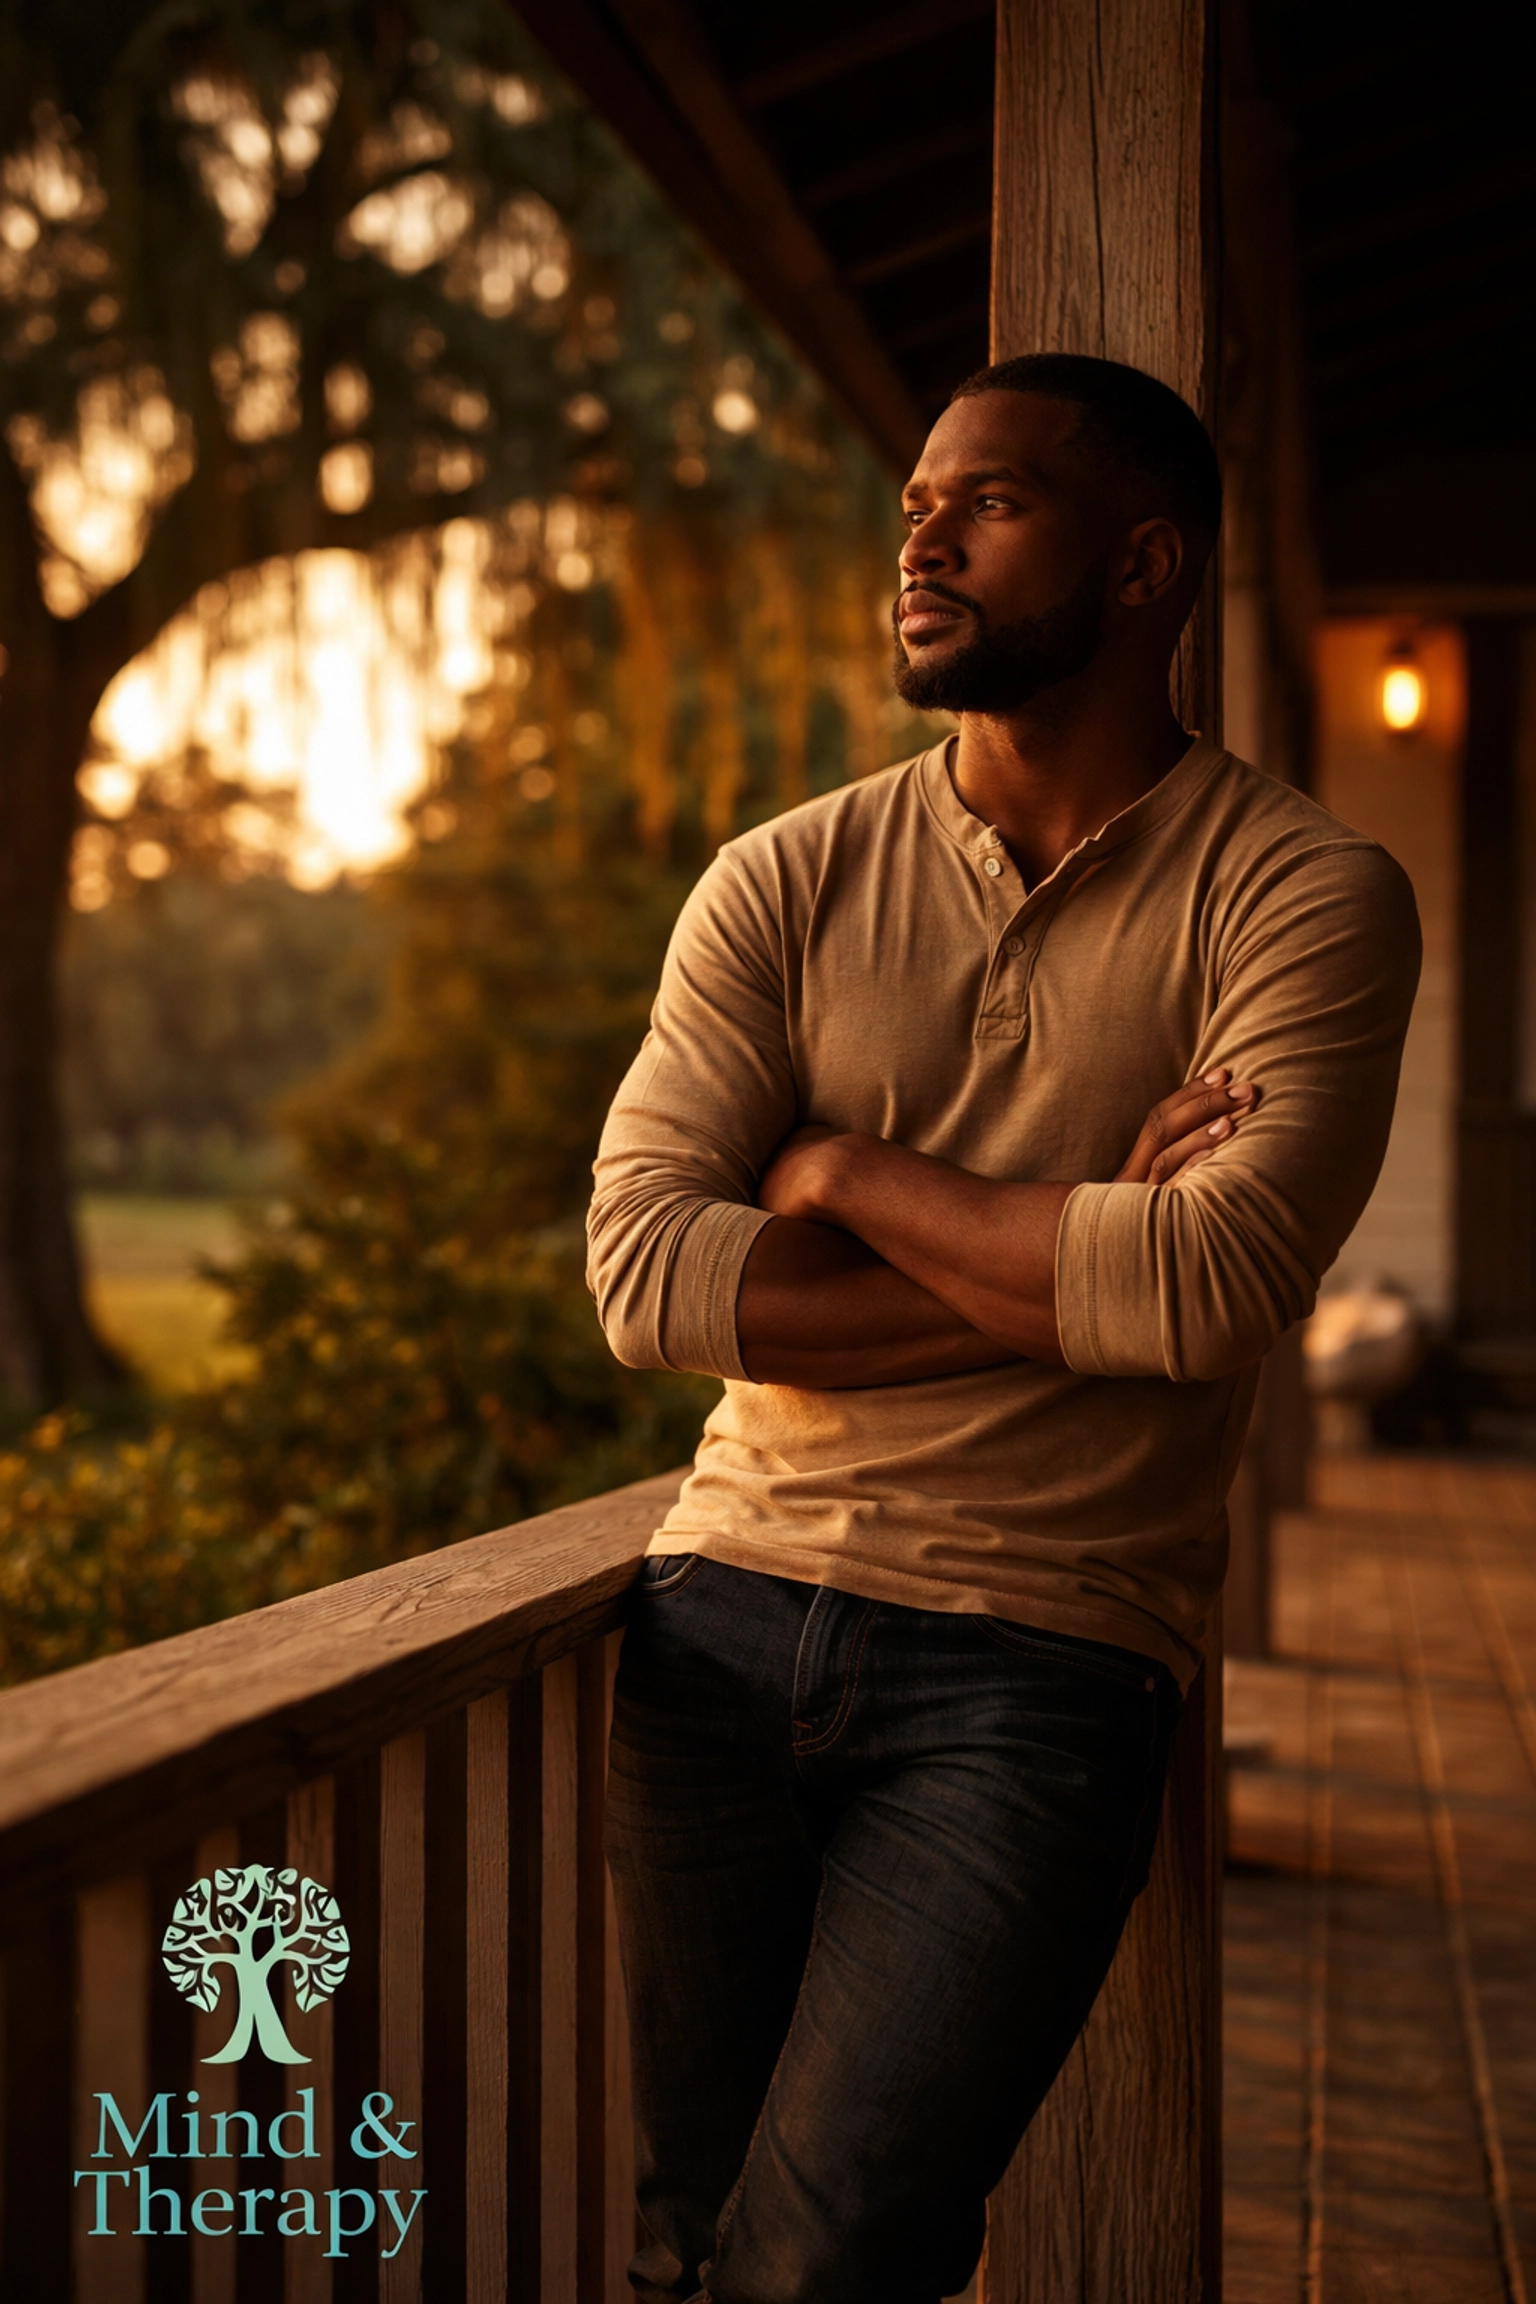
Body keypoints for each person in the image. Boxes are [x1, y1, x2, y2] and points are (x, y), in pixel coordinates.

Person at [586, 353, 1419, 2304]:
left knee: (827, 2257)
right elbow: (648, 1277)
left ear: (1144, 567)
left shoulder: (1306, 895)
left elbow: (1213, 1289)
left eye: (991, 503)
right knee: (684, 2249)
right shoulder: (782, 881)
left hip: (1041, 1667)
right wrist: (1074, 1260)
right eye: (913, 506)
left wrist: (846, 1175)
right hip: (714, 1618)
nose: (925, 539)